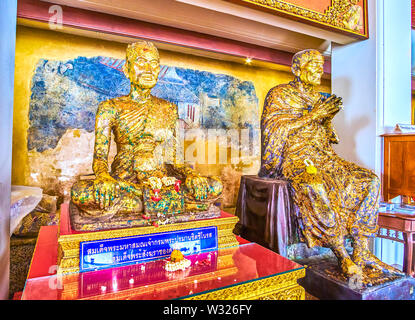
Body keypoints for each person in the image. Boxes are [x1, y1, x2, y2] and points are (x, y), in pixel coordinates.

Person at [259, 49, 400, 281]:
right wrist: (315, 115)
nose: (319, 69)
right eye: (313, 65)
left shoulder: (318, 98)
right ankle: (341, 252)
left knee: (369, 180)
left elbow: (328, 138)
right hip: (296, 159)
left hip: (325, 158)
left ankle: (362, 251)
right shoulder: (280, 94)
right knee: (315, 186)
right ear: (297, 69)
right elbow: (274, 129)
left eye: (321, 64)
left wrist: (326, 119)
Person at [70, 41, 222, 223]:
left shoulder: (169, 109)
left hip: (162, 183)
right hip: (126, 184)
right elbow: (100, 159)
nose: (149, 69)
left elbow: (176, 160)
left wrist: (191, 175)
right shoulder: (110, 108)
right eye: (141, 62)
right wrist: (103, 177)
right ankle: (160, 204)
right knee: (81, 193)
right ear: (127, 69)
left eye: (154, 64)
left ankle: (143, 204)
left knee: (214, 186)